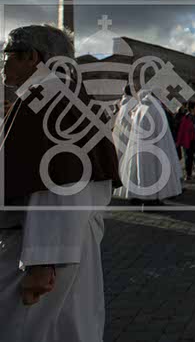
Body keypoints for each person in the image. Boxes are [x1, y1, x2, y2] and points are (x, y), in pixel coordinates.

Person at [0, 24, 119, 341]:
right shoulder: (64, 94)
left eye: (8, 55)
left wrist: (43, 260)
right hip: (65, 241)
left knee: (31, 329)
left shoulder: (46, 97)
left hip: (41, 247)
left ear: (31, 57)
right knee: (68, 325)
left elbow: (62, 180)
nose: (3, 64)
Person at [118, 88, 183, 204]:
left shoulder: (140, 107)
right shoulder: (156, 108)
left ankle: (141, 195)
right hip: (156, 146)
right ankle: (153, 198)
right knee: (155, 172)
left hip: (139, 146)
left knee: (142, 172)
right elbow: (163, 131)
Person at [177, 101, 195, 180]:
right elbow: (181, 131)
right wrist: (179, 142)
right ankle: (188, 174)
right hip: (188, 141)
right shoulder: (185, 118)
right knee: (188, 158)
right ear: (192, 109)